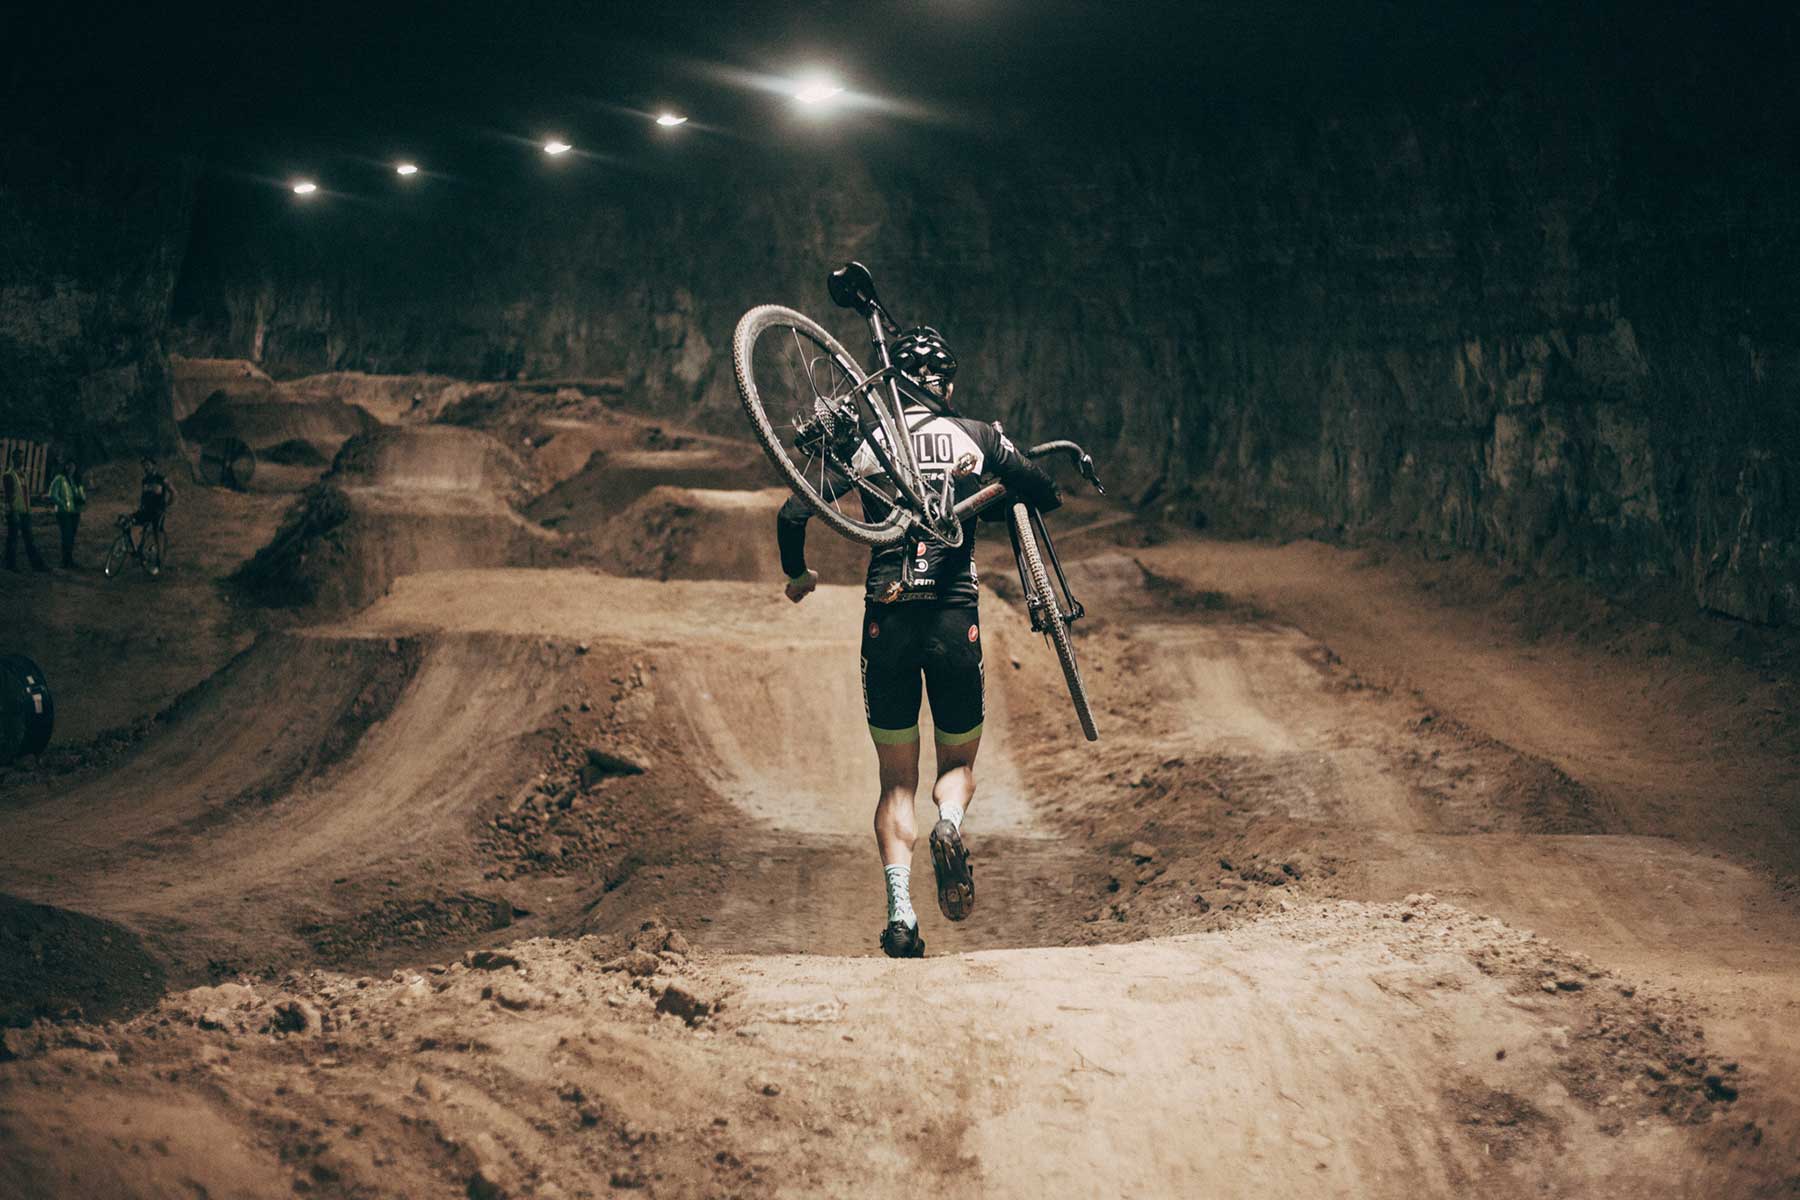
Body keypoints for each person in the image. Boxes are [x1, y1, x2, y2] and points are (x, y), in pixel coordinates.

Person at [776, 325, 1061, 959]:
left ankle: (901, 914)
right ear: (947, 385)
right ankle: (950, 825)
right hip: (954, 620)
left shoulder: (869, 442)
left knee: (895, 784)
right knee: (957, 767)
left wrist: (798, 575)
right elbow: (1045, 491)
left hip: (889, 620)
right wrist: (994, 493)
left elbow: (793, 513)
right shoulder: (978, 436)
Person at [3, 449, 48, 573]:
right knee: (13, 539)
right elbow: (8, 497)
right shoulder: (9, 475)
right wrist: (12, 512)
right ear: (13, 459)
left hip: (25, 512)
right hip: (15, 512)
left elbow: (24, 494)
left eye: (22, 457)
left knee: (28, 539)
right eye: (19, 457)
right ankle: (10, 565)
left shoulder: (23, 475)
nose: (21, 460)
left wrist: (34, 500)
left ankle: (36, 565)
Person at [47, 460, 86, 568]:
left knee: (71, 537)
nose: (72, 468)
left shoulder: (75, 480)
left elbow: (80, 494)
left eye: (74, 466)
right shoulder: (59, 479)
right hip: (63, 512)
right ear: (66, 466)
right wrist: (62, 504)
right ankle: (65, 561)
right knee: (66, 536)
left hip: (74, 512)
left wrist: (81, 499)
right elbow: (52, 494)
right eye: (70, 465)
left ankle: (69, 560)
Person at [133, 455, 176, 538]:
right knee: (132, 522)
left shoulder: (161, 478)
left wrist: (167, 506)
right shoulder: (145, 480)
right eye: (144, 465)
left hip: (158, 510)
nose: (146, 467)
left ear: (153, 465)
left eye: (148, 465)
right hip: (147, 509)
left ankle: (158, 545)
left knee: (156, 531)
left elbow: (173, 492)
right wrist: (141, 506)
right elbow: (143, 495)